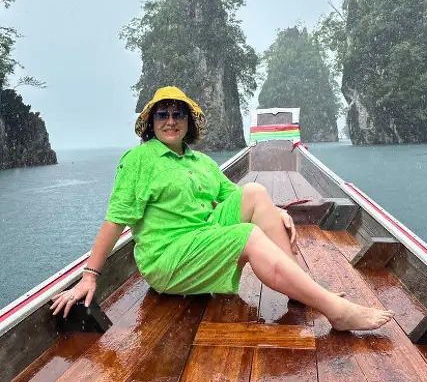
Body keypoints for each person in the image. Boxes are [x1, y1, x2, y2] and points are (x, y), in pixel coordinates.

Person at [51, 86, 393, 331]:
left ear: (189, 121)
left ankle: (302, 291)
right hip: (169, 257)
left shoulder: (200, 161)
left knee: (256, 192)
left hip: (202, 235)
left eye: (178, 114)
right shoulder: (139, 160)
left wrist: (277, 212)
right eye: (162, 114)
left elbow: (237, 196)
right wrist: (89, 276)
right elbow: (115, 221)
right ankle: (336, 311)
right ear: (151, 122)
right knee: (248, 235)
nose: (170, 121)